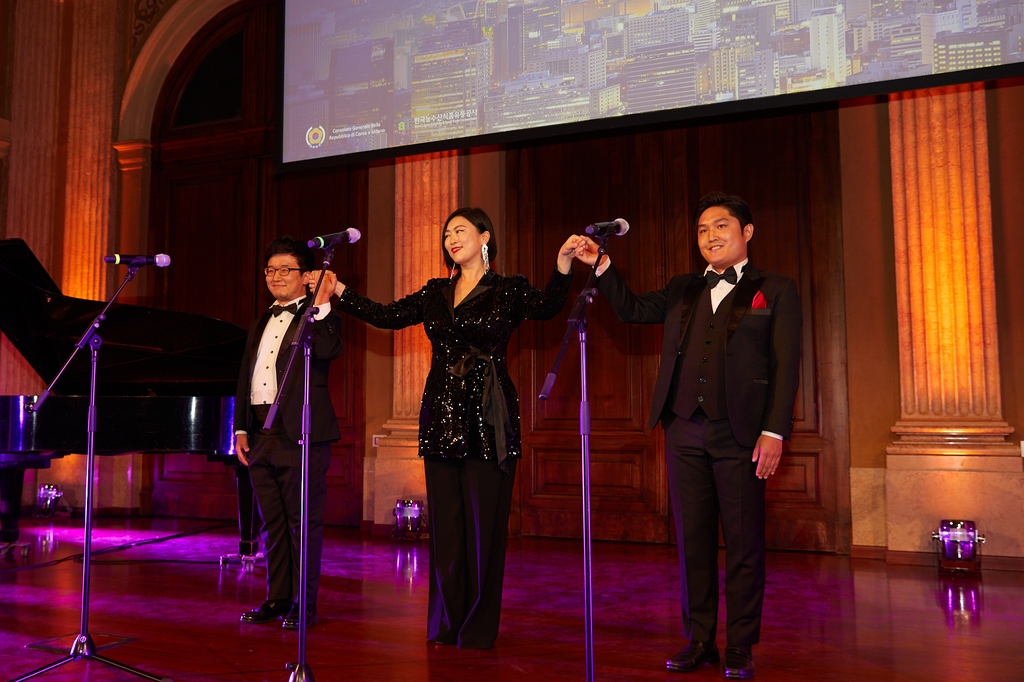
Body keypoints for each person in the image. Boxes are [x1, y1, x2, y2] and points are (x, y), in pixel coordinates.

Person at [329, 207, 580, 649]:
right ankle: (446, 623)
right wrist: (340, 291)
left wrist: (562, 265)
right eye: (447, 233)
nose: (451, 238)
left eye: (460, 230)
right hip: (442, 413)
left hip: (489, 413)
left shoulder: (508, 289)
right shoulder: (436, 292)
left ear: (485, 237)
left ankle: (478, 629)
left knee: (485, 530)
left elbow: (547, 306)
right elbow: (386, 315)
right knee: (446, 529)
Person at [575, 192, 801, 679]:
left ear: (746, 232)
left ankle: (740, 644)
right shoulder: (683, 288)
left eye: (720, 226)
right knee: (692, 542)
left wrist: (774, 431)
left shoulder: (776, 289)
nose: (710, 236)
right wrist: (601, 266)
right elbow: (633, 310)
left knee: (743, 544)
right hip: (683, 429)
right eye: (702, 230)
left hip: (743, 435)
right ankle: (699, 639)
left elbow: (786, 366)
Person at [236, 237, 344, 629]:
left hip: (302, 435)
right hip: (260, 436)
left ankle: (304, 605)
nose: (276, 276)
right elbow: (245, 375)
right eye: (271, 270)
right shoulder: (260, 321)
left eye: (285, 269)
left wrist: (324, 301)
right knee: (273, 525)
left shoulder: (318, 318)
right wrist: (241, 427)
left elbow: (330, 350)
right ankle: (278, 598)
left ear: (305, 276)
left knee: (303, 525)